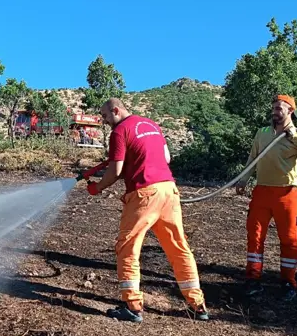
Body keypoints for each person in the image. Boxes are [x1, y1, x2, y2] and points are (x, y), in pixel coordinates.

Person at [86, 98, 209, 323]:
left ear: (116, 110)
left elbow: (115, 170)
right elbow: (166, 158)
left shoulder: (119, 131)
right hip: (168, 190)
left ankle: (132, 306)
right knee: (178, 247)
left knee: (128, 246)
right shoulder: (152, 125)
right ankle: (197, 305)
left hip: (144, 193)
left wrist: (98, 187)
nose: (104, 121)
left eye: (105, 116)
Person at [235, 94, 297, 300]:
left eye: (279, 109)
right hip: (262, 191)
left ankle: (288, 282)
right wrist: (243, 179)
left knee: (290, 239)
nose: (274, 112)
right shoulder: (262, 133)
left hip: (288, 193)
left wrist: (294, 136)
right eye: (273, 108)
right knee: (255, 236)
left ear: (290, 111)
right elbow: (253, 158)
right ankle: (253, 279)